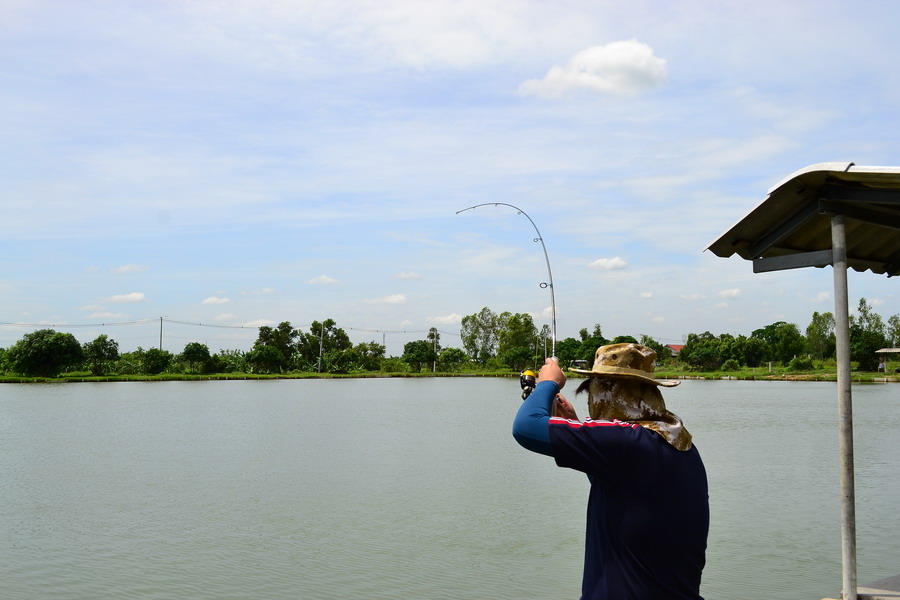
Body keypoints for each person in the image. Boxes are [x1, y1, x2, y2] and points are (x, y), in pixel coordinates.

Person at [512, 343, 709, 600]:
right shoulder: (679, 444)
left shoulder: (625, 443)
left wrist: (547, 384)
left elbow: (526, 427)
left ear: (608, 391)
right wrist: (574, 425)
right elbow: (613, 482)